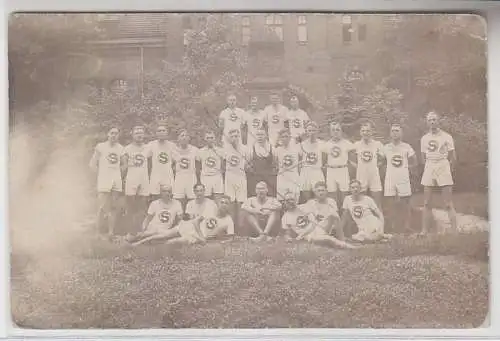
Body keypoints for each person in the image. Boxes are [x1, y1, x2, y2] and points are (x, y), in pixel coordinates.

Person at [420, 111, 458, 235]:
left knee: (447, 202)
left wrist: (448, 168)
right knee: (426, 202)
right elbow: (423, 157)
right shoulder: (424, 138)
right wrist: (429, 167)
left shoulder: (447, 136)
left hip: (443, 164)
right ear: (427, 122)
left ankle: (454, 231)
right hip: (430, 165)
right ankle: (424, 231)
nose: (432, 122)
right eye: (430, 120)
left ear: (438, 121)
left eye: (434, 119)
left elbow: (453, 156)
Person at [281, 192, 357, 249]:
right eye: (288, 200)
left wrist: (301, 235)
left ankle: (342, 239)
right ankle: (349, 247)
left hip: (317, 227)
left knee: (333, 215)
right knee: (328, 239)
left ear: (295, 200)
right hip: (310, 236)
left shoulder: (303, 207)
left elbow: (314, 222)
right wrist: (288, 237)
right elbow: (287, 233)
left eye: (292, 199)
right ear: (284, 202)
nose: (290, 202)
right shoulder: (285, 217)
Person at [381, 123, 418, 233]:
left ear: (401, 133)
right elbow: (381, 162)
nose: (395, 133)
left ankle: (406, 226)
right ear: (390, 133)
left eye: (397, 131)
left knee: (405, 203)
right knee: (390, 203)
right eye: (393, 131)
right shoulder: (386, 147)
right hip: (390, 178)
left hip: (403, 178)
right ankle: (392, 227)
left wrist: (407, 169)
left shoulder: (406, 147)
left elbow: (414, 161)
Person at [89, 127, 124, 239]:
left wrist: (118, 175)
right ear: (108, 134)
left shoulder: (121, 148)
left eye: (116, 133)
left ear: (119, 135)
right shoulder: (101, 146)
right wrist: (100, 175)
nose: (114, 135)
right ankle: (98, 232)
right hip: (104, 180)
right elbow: (93, 164)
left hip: (116, 180)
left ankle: (111, 232)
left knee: (113, 207)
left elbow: (124, 164)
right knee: (102, 206)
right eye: (112, 133)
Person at [121, 125, 150, 237]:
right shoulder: (127, 149)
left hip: (144, 179)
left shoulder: (148, 148)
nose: (139, 135)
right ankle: (130, 231)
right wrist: (122, 180)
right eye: (137, 133)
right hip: (131, 178)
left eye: (141, 133)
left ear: (144, 135)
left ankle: (140, 230)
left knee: (142, 206)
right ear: (132, 135)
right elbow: (123, 166)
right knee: (130, 206)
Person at [223, 128, 251, 229]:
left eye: (236, 136)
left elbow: (248, 164)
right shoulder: (225, 149)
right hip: (229, 176)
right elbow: (222, 163)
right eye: (232, 136)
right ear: (229, 138)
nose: (234, 138)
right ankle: (231, 227)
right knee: (230, 202)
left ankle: (241, 228)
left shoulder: (245, 149)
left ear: (239, 137)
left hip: (241, 176)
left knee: (241, 202)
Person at [353, 122, 384, 210]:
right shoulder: (356, 145)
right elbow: (350, 158)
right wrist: (358, 167)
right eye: (363, 131)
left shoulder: (378, 144)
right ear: (360, 132)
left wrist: (378, 165)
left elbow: (384, 158)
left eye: (367, 131)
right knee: (361, 202)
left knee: (377, 202)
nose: (365, 133)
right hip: (361, 174)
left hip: (374, 175)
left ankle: (379, 222)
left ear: (371, 132)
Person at [324, 121, 355, 208]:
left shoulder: (347, 143)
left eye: (337, 130)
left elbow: (353, 156)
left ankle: (345, 215)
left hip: (343, 170)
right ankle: (335, 215)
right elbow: (323, 159)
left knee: (344, 194)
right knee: (332, 195)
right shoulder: (326, 145)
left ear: (341, 131)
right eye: (333, 130)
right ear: (330, 132)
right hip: (331, 170)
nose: (335, 132)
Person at [172, 129, 200, 212]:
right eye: (182, 135)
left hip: (191, 176)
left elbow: (199, 164)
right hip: (179, 177)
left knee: (192, 200)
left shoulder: (195, 150)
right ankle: (179, 221)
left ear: (189, 138)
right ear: (178, 138)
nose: (184, 137)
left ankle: (192, 221)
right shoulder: (173, 151)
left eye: (186, 135)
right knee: (178, 200)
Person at [147, 124, 176, 201]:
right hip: (155, 174)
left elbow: (175, 161)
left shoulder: (172, 145)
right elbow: (146, 159)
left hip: (168, 174)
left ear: (167, 133)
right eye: (159, 131)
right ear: (156, 133)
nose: (161, 132)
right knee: (155, 196)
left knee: (169, 195)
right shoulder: (151, 144)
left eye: (163, 130)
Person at [299, 121, 326, 203]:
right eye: (309, 131)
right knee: (306, 196)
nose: (311, 133)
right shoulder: (301, 145)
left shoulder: (322, 143)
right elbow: (299, 160)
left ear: (317, 131)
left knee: (319, 194)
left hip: (317, 170)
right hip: (305, 171)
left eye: (313, 130)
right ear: (306, 131)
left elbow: (325, 157)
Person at [274, 128, 302, 201]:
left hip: (293, 175)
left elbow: (300, 163)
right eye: (283, 137)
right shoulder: (277, 150)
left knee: (294, 198)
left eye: (286, 136)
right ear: (280, 138)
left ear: (290, 137)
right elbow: (275, 164)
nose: (285, 138)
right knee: (281, 199)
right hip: (282, 176)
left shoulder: (297, 149)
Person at [247, 128, 276, 197]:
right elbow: (247, 164)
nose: (260, 137)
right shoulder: (251, 149)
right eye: (258, 135)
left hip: (269, 179)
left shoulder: (273, 148)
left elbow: (275, 163)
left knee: (270, 198)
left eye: (262, 134)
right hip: (255, 179)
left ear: (266, 136)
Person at [197, 130, 224, 199]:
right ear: (205, 139)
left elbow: (223, 165)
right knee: (206, 199)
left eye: (211, 138)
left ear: (215, 138)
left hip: (217, 176)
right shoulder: (200, 151)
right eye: (208, 138)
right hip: (205, 177)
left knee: (218, 198)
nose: (210, 140)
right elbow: (198, 166)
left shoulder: (220, 150)